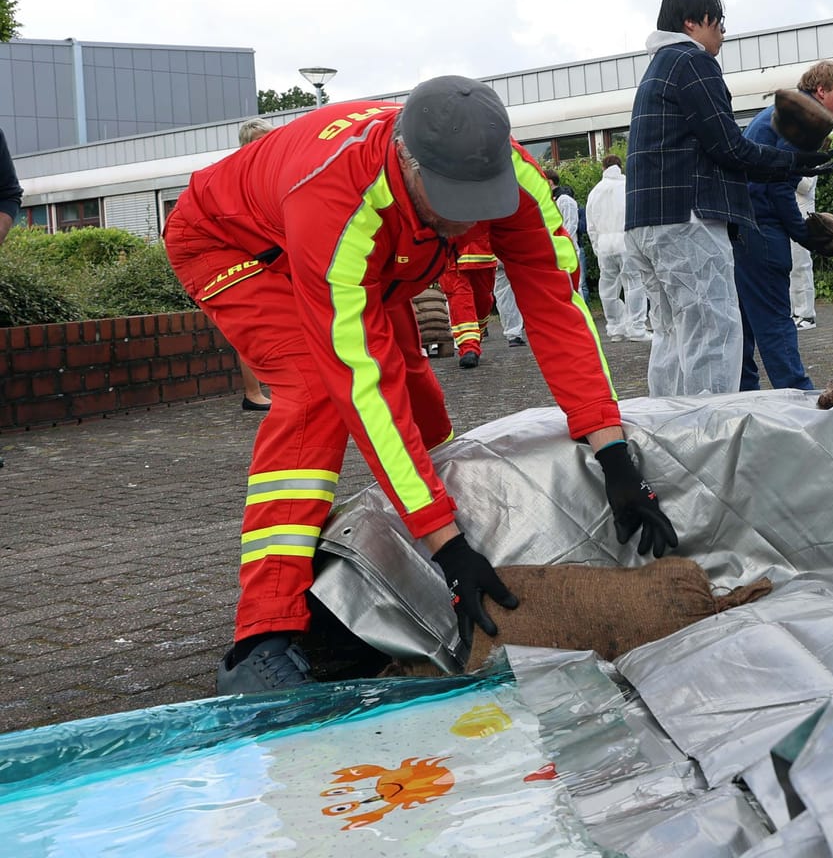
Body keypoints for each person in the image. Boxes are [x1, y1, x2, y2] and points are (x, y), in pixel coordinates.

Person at [164, 76, 679, 695]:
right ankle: (263, 634)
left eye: (478, 202)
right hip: (237, 245)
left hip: (371, 264)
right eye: (449, 202)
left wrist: (615, 455)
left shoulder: (516, 178)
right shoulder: (338, 201)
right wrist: (447, 550)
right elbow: (363, 389)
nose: (464, 223)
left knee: (421, 397)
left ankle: (440, 537)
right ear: (407, 160)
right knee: (317, 395)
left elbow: (557, 310)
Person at [624, 0, 833, 397]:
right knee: (713, 333)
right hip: (688, 220)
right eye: (717, 22)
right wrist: (793, 162)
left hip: (645, 222)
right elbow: (728, 146)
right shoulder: (692, 61)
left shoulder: (658, 67)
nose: (722, 32)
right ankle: (710, 436)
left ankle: (667, 432)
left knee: (671, 337)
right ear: (691, 22)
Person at [738, 61, 833, 389]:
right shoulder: (806, 118)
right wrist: (804, 235)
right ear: (821, 91)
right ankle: (800, 397)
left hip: (744, 226)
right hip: (761, 227)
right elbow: (777, 186)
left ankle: (745, 396)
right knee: (776, 320)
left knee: (745, 323)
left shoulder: (784, 109)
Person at [234, 118, 277, 408]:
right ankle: (253, 393)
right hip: (250, 256)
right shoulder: (242, 173)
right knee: (250, 329)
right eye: (259, 140)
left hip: (268, 253)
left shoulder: (268, 170)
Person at [587, 155, 648, 341]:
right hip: (627, 241)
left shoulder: (595, 191)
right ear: (620, 167)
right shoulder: (628, 187)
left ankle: (615, 328)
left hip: (604, 245)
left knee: (608, 289)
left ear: (603, 168)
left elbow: (591, 225)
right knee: (635, 285)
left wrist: (597, 247)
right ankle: (636, 328)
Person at [439, 226, 499, 368]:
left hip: (483, 253)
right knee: (461, 301)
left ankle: (475, 336)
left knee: (483, 302)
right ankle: (469, 348)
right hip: (451, 256)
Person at [789, 173, 819, 330]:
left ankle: (806, 314)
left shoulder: (810, 153)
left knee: (801, 263)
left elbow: (805, 185)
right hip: (788, 213)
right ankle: (794, 311)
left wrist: (785, 171)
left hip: (802, 214)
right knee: (789, 265)